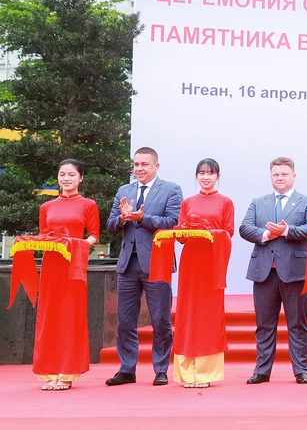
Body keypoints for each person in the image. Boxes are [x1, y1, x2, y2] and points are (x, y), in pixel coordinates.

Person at [9, 159, 100, 390]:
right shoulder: (46, 207)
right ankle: (49, 370)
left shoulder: (88, 205)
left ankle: (68, 371)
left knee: (70, 316)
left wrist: (75, 244)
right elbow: (44, 237)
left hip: (74, 266)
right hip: (51, 267)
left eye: (71, 174)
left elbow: (94, 237)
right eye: (62, 174)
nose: (66, 178)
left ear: (81, 178)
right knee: (49, 316)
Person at [239, 157, 307, 385]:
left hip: (295, 272)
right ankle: (262, 370)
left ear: (294, 176)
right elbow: (245, 228)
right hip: (264, 272)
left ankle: (301, 370)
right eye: (276, 174)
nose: (280, 178)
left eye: (285, 174)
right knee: (264, 325)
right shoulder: (258, 202)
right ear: (271, 177)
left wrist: (287, 231)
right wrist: (266, 235)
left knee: (298, 324)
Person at [155, 159, 235, 388]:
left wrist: (207, 232)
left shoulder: (226, 202)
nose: (206, 177)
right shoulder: (187, 203)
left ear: (218, 176)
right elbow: (180, 235)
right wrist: (186, 231)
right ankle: (186, 372)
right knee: (188, 312)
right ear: (196, 176)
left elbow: (228, 232)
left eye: (210, 173)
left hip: (212, 262)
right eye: (201, 173)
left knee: (209, 314)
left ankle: (206, 372)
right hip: (191, 262)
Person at [105, 147, 182, 387]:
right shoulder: (124, 191)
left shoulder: (171, 189)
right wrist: (122, 218)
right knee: (126, 321)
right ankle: (127, 369)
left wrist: (142, 218)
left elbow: (173, 222)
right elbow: (110, 226)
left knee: (161, 319)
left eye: (144, 165)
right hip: (128, 264)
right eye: (136, 164)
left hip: (157, 263)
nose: (139, 169)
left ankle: (160, 369)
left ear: (156, 166)